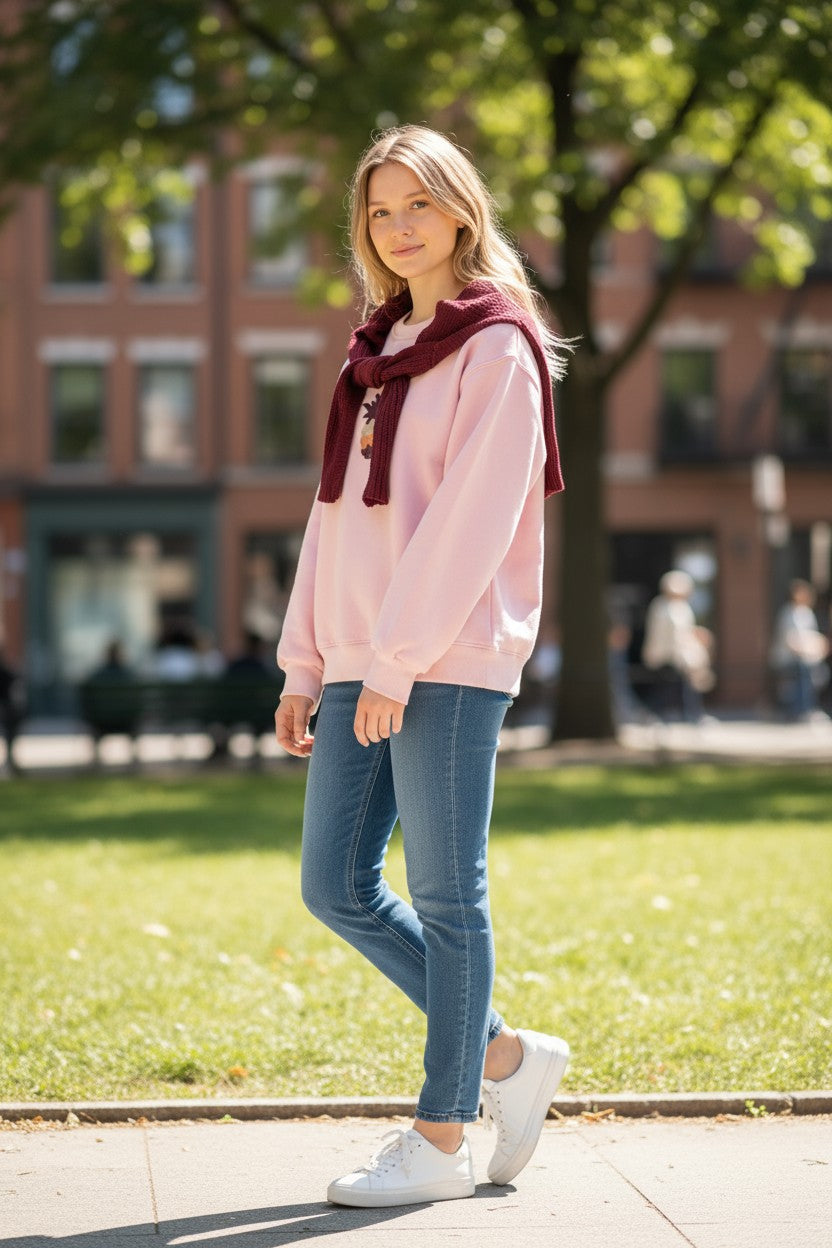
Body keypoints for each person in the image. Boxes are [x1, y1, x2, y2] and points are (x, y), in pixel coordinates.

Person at [274, 125, 571, 1208]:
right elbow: (332, 518)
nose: (397, 228)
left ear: (460, 211)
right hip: (360, 654)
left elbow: (473, 522)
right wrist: (305, 658)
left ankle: (441, 1140)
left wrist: (397, 661)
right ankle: (504, 1057)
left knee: (448, 895)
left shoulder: (497, 346)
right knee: (333, 885)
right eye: (379, 210)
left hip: (444, 657)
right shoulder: (369, 351)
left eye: (417, 206)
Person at [641, 570, 714, 723]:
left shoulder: (681, 607)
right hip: (668, 656)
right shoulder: (663, 607)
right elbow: (670, 635)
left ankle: (691, 715)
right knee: (668, 688)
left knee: (679, 688)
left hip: (678, 656)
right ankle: (656, 714)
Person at [770, 579, 829, 721]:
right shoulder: (788, 613)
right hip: (788, 658)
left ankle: (810, 707)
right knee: (803, 670)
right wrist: (802, 651)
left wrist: (821, 646)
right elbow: (789, 640)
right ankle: (802, 710)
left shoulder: (807, 613)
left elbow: (811, 636)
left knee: (818, 671)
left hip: (806, 657)